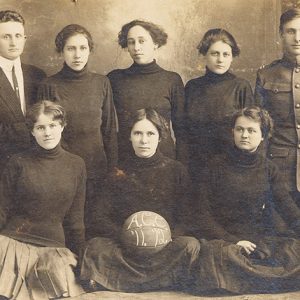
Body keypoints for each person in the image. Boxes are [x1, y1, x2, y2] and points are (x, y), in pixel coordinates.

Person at [80, 108, 200, 292]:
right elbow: (98, 216)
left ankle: (121, 281)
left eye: (150, 133)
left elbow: (188, 215)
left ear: (160, 137)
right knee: (95, 247)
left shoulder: (176, 170)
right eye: (138, 133)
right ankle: (163, 281)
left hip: (163, 249)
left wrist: (165, 238)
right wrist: (126, 237)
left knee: (190, 245)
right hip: (126, 249)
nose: (144, 140)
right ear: (129, 136)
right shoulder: (117, 172)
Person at [191, 106, 300, 293]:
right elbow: (202, 214)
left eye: (252, 130)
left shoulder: (269, 169)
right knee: (216, 255)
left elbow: (288, 208)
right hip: (224, 240)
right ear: (232, 131)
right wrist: (233, 241)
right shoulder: (214, 166)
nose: (245, 135)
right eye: (240, 129)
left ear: (263, 135)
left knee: (292, 250)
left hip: (257, 242)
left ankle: (246, 279)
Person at [37, 24, 118, 238]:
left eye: (83, 48)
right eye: (71, 48)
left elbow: (109, 129)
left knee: (94, 227)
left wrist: (113, 168)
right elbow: (42, 131)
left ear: (90, 50)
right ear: (61, 51)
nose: (77, 54)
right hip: (62, 171)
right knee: (69, 229)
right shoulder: (49, 85)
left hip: (96, 169)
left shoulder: (102, 82)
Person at [0, 100, 86, 299]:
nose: (47, 133)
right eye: (40, 127)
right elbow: (2, 208)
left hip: (53, 249)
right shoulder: (18, 162)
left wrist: (80, 259)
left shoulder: (76, 165)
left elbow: (76, 219)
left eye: (52, 126)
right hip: (13, 244)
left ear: (62, 126)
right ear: (32, 131)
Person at [108, 19, 186, 162]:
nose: (136, 47)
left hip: (165, 163)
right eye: (131, 42)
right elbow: (106, 128)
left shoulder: (172, 80)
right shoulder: (115, 79)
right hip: (126, 161)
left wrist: (180, 168)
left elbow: (182, 132)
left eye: (142, 41)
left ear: (156, 43)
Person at [184, 28, 254, 182]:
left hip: (231, 168)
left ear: (232, 57)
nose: (220, 60)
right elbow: (184, 132)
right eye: (215, 53)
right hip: (196, 168)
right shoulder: (192, 87)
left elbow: (251, 132)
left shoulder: (241, 87)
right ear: (204, 55)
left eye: (226, 54)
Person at [255, 8, 300, 210]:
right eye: (290, 31)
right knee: (282, 236)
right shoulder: (266, 75)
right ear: (281, 35)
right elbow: (260, 129)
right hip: (279, 171)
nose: (297, 38)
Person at [0, 10, 46, 173]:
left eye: (18, 36)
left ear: (24, 39)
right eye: (6, 37)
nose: (13, 42)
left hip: (37, 163)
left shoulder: (37, 75)